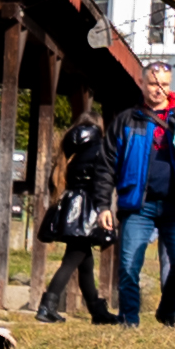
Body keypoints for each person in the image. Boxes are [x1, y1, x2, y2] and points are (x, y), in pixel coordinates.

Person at [122, 88, 175, 323]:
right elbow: (111, 157)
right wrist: (103, 203)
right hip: (140, 202)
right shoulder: (131, 117)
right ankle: (129, 320)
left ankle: (168, 309)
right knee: (130, 262)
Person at [35, 104, 125, 322]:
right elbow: (102, 179)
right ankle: (47, 305)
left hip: (70, 207)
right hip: (86, 210)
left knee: (85, 262)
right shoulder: (100, 148)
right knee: (72, 260)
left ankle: (97, 311)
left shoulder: (70, 149)